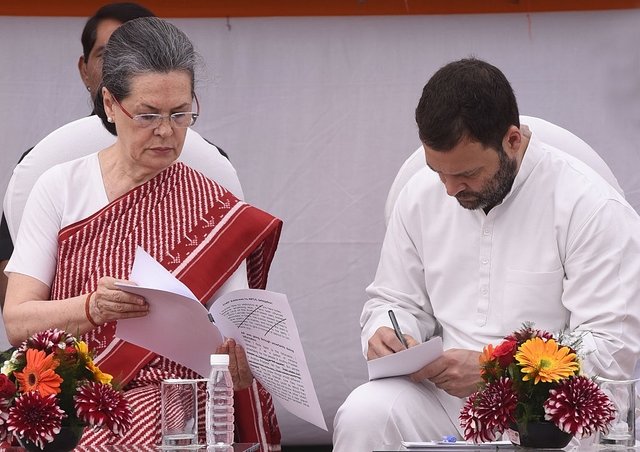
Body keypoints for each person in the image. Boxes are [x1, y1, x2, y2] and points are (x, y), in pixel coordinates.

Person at [332, 58, 640, 451]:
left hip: (551, 414)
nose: (449, 189)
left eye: (466, 174)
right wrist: (388, 332)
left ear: (513, 140)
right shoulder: (421, 194)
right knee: (366, 414)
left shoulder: (589, 207)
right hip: (448, 400)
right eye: (438, 171)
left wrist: (496, 372)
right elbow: (393, 299)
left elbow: (609, 350)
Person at [3, 17, 282, 449]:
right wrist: (92, 307)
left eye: (181, 113)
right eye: (148, 114)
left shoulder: (212, 202)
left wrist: (242, 359)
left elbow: (235, 325)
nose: (167, 131)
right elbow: (17, 322)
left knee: (152, 418)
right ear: (111, 104)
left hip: (180, 391)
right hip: (79, 387)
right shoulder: (59, 186)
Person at [0, 2, 154, 312]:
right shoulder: (45, 168)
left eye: (138, 52)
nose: (122, 67)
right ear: (85, 70)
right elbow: (13, 302)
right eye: (107, 54)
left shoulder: (202, 172)